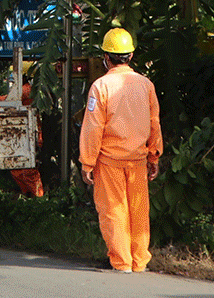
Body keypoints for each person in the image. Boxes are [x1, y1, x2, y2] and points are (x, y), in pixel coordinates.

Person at [79, 28, 162, 273]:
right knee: (138, 210)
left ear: (106, 57)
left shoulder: (100, 86)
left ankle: (122, 263)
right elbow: (154, 123)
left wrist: (87, 163)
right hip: (137, 160)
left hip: (109, 160)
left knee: (114, 211)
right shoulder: (146, 85)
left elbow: (93, 127)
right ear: (131, 55)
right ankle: (139, 261)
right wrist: (154, 155)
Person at [0, 62, 45, 197]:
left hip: (28, 135)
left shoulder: (26, 90)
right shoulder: (26, 89)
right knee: (17, 169)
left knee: (28, 170)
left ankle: (38, 198)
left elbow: (5, 100)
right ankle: (29, 197)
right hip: (23, 134)